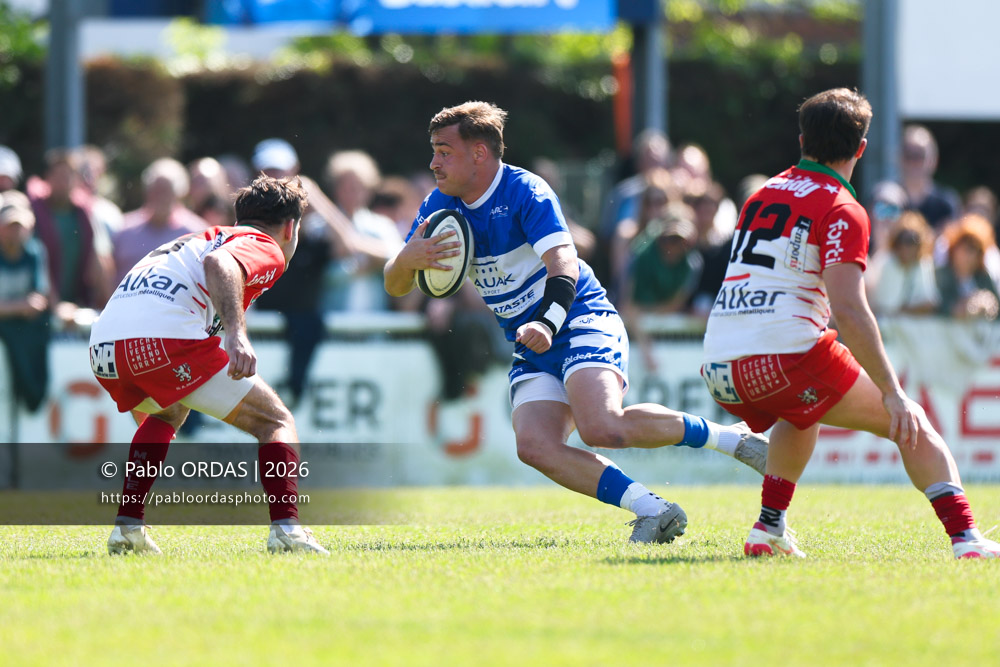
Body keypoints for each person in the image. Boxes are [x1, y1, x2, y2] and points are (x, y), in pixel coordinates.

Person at [384, 101, 770, 544]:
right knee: (534, 446)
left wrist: (548, 323)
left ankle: (730, 438)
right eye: (433, 151)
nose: (433, 162)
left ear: (479, 154)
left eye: (444, 151)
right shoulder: (438, 204)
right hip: (530, 339)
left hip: (577, 316)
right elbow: (396, 284)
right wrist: (405, 260)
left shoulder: (524, 191)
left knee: (603, 426)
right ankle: (653, 510)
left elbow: (564, 263)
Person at [700, 88, 1000, 559]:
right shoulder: (841, 206)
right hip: (785, 356)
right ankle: (967, 538)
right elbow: (851, 308)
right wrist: (892, 392)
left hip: (718, 366)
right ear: (860, 149)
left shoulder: (761, 194)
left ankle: (768, 528)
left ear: (802, 140)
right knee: (911, 422)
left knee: (804, 412)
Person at [89, 175, 328, 556]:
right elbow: (221, 264)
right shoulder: (264, 244)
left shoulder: (204, 236)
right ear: (290, 227)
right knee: (276, 421)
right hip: (160, 338)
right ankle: (287, 529)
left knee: (169, 412)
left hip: (103, 346)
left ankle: (128, 526)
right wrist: (236, 334)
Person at [112, 158, 207, 284]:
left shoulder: (196, 232)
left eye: (166, 191)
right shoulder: (125, 230)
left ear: (179, 194)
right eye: (155, 190)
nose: (160, 197)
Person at [0, 191, 51, 412]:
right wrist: (20, 306)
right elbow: (29, 305)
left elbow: (38, 301)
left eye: (19, 226)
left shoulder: (35, 252)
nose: (15, 232)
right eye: (9, 226)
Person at [865, 211, 939, 317]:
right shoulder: (887, 262)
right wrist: (911, 308)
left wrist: (907, 309)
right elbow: (889, 309)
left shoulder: (923, 263)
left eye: (914, 241)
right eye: (905, 240)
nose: (908, 247)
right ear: (896, 242)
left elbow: (929, 303)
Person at [935, 214, 1000, 320]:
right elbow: (940, 308)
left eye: (977, 250)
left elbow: (997, 311)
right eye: (968, 248)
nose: (972, 255)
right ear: (955, 247)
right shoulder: (941, 274)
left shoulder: (983, 277)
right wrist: (969, 305)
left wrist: (988, 307)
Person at [901, 125, 960, 230]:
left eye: (920, 155)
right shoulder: (888, 200)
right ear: (900, 159)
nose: (914, 162)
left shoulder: (946, 204)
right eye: (908, 155)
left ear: (934, 160)